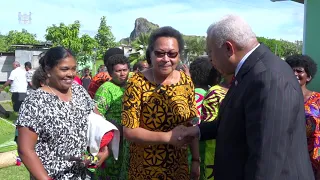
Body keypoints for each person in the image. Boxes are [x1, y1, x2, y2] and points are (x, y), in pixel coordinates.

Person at [173, 15, 314, 180]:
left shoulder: (268, 78)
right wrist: (197, 130)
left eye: (210, 52)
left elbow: (267, 159)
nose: (210, 60)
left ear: (228, 48)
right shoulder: (250, 71)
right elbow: (237, 121)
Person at [16, 47, 109, 180]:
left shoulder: (79, 91)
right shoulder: (34, 102)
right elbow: (25, 150)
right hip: (50, 175)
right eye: (64, 69)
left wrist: (101, 151)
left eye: (73, 68)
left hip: (81, 174)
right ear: (48, 70)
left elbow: (97, 120)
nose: (71, 74)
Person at [121, 26, 200, 180]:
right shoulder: (137, 83)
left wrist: (196, 160)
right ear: (150, 54)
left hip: (179, 168)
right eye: (159, 53)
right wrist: (168, 137)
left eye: (172, 54)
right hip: (145, 170)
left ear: (178, 56)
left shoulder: (185, 81)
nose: (166, 59)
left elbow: (192, 122)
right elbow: (129, 131)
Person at [94, 54, 130, 179]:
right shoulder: (105, 89)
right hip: (112, 141)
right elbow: (96, 116)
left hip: (128, 140)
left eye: (125, 70)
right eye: (118, 71)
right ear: (110, 72)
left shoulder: (132, 86)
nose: (122, 74)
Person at [285, 54, 320, 179]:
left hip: (314, 160)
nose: (294, 73)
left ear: (309, 76)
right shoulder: (282, 98)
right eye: (291, 70)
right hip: (289, 157)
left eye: (299, 71)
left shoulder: (318, 100)